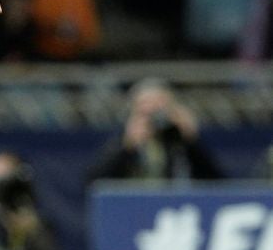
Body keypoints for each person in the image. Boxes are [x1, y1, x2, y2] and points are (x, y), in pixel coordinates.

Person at [90, 77, 224, 182]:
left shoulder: (178, 140)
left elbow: (216, 182)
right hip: (133, 208)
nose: (153, 114)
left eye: (159, 106)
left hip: (173, 209)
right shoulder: (121, 139)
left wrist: (191, 141)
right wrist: (127, 147)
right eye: (146, 105)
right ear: (133, 110)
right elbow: (94, 182)